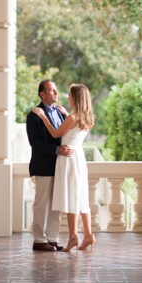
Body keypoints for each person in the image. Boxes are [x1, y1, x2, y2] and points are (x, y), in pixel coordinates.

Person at [32, 83, 96, 252]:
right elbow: (72, 130)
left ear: (76, 98)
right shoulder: (86, 117)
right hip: (78, 158)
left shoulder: (71, 117)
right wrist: (66, 114)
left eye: (70, 95)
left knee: (71, 197)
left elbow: (56, 134)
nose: (67, 97)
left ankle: (73, 237)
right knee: (81, 197)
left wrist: (44, 117)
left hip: (68, 159)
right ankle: (88, 235)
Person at [26, 79, 73, 252]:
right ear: (42, 94)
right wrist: (56, 150)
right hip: (43, 166)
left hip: (60, 166)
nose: (56, 93)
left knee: (56, 204)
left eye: (56, 90)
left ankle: (52, 238)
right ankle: (39, 239)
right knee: (41, 204)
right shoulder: (33, 115)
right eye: (51, 90)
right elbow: (35, 142)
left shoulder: (61, 112)